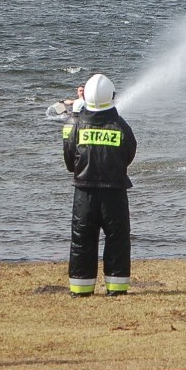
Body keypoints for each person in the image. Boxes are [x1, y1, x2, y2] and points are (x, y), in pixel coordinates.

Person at [63, 73, 137, 297]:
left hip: (84, 193)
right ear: (111, 97)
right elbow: (129, 154)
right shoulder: (120, 126)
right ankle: (116, 288)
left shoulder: (76, 125)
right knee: (117, 239)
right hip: (114, 192)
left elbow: (69, 161)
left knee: (81, 239)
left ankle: (81, 288)